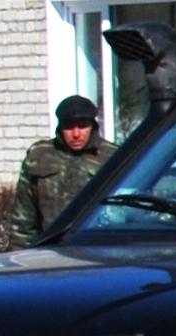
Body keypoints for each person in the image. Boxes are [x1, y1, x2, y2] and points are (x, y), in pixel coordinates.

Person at [13, 97, 108, 245]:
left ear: (93, 126)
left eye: (83, 126)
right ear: (60, 127)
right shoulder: (40, 156)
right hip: (50, 247)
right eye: (69, 127)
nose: (76, 134)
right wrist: (22, 253)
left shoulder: (111, 156)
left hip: (97, 246)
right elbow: (24, 217)